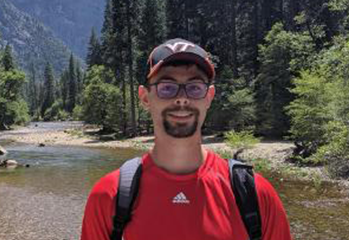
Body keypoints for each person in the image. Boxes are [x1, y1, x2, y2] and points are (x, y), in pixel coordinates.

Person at [81, 38, 292, 240]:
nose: (182, 98)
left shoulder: (255, 195)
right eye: (167, 87)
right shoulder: (110, 196)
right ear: (145, 98)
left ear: (209, 97)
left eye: (194, 87)